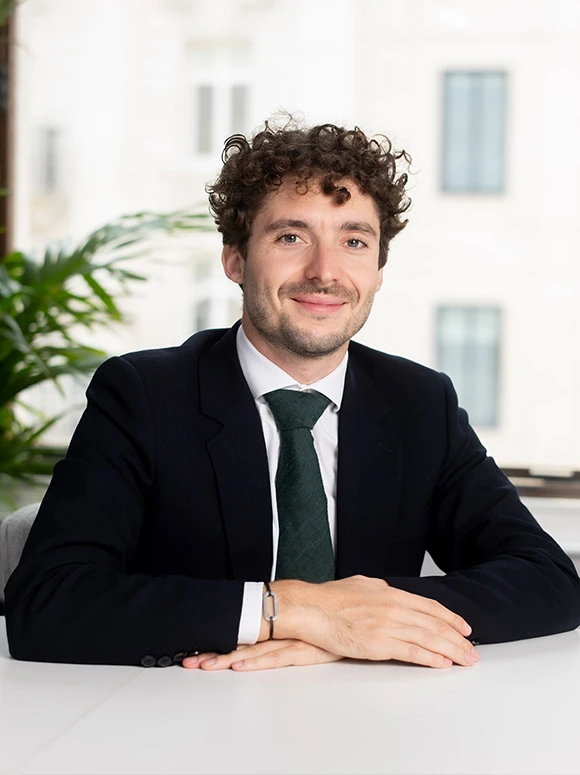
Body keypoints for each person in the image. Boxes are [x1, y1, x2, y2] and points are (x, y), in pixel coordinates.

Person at [5, 120, 580, 671]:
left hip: (372, 721)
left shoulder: (420, 403)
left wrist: (354, 632)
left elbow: (548, 580)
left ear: (379, 271)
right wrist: (295, 612)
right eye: (290, 236)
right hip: (187, 715)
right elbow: (48, 603)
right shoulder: (143, 395)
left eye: (354, 240)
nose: (324, 271)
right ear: (235, 259)